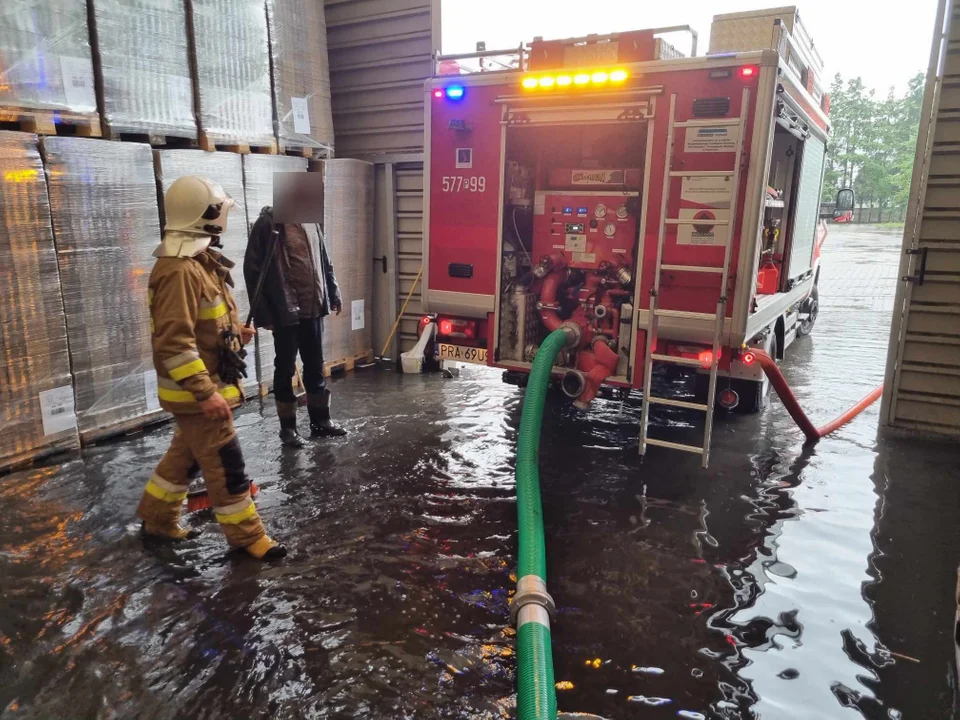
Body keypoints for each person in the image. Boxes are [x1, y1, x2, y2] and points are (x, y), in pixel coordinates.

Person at [135, 176, 286, 561]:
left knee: (183, 458)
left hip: (203, 386)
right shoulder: (180, 271)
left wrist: (235, 333)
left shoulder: (197, 262)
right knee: (226, 464)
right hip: (198, 392)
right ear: (208, 216)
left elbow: (203, 325)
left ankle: (157, 518)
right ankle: (249, 537)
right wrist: (205, 393)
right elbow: (174, 341)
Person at [244, 205, 347, 447]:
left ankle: (321, 422)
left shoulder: (312, 222)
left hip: (313, 307)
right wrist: (264, 315)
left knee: (315, 366)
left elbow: (324, 260)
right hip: (285, 309)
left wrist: (333, 291)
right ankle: (288, 429)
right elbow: (253, 270)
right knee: (285, 369)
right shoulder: (268, 224)